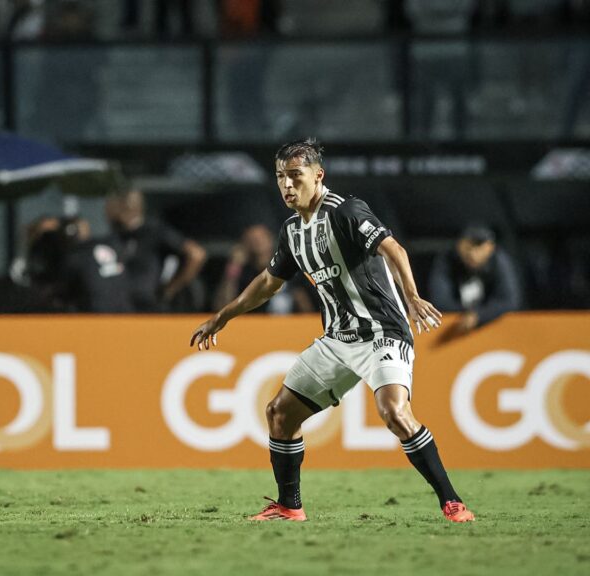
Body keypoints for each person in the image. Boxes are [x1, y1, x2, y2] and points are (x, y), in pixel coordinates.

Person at [190, 139, 474, 523]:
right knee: (279, 413)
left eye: (295, 176)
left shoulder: (347, 211)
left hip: (382, 334)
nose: (287, 185)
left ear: (318, 175)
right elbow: (268, 282)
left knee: (394, 412)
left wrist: (412, 296)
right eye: (280, 178)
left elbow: (394, 250)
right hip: (338, 340)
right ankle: (289, 506)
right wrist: (223, 315)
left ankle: (452, 502)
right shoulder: (292, 230)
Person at [106, 188, 206, 312]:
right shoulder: (115, 236)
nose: (106, 210)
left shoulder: (155, 232)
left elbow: (196, 255)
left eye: (111, 204)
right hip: (115, 307)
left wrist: (171, 289)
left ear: (126, 207)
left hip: (147, 307)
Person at [428, 223, 522, 335]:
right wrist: (466, 314)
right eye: (468, 246)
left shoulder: (499, 261)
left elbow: (509, 300)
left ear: (490, 248)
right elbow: (439, 300)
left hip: (494, 329)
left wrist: (479, 315)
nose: (472, 253)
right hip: (452, 327)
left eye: (478, 246)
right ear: (459, 245)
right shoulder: (447, 261)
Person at [212, 223, 315, 315]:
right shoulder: (243, 273)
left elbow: (306, 304)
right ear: (244, 245)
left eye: (261, 238)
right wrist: (234, 266)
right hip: (255, 327)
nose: (257, 243)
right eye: (252, 240)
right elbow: (222, 307)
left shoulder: (290, 267)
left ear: (270, 241)